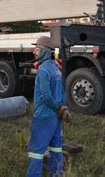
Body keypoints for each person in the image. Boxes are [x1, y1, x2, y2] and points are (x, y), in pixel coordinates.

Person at [27, 36, 70, 177]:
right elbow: (63, 91)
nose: (34, 52)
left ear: (44, 51)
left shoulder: (43, 70)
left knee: (36, 151)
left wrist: (58, 107)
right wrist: (63, 107)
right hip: (55, 117)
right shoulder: (55, 68)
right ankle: (57, 173)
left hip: (43, 116)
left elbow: (46, 96)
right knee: (56, 148)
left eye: (37, 49)